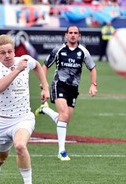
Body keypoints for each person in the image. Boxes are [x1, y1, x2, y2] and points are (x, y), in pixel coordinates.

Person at [0, 34, 50, 184]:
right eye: (2, 53)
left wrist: (45, 87)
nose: (7, 56)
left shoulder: (24, 59)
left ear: (14, 51)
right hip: (2, 121)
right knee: (0, 158)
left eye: (10, 51)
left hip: (23, 118)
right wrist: (17, 70)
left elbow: (36, 65)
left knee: (21, 146)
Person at [35, 25, 98, 161]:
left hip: (73, 89)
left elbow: (92, 68)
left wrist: (93, 85)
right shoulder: (58, 50)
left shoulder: (83, 52)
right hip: (59, 85)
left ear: (79, 36)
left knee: (64, 120)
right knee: (63, 115)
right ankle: (61, 151)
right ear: (66, 35)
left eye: (76, 33)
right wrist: (44, 84)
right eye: (70, 33)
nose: (73, 35)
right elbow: (44, 66)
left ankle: (45, 110)